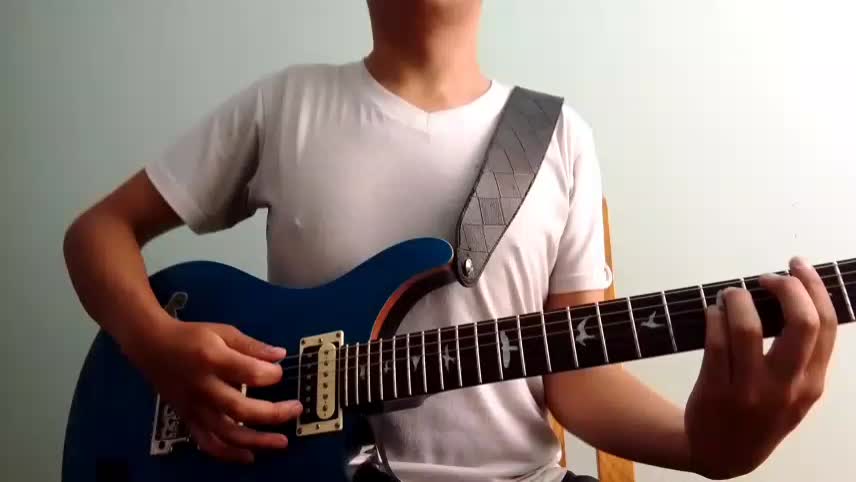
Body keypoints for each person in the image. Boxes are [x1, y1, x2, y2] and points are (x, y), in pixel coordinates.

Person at [63, 1, 837, 481]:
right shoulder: (285, 104)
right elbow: (98, 231)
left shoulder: (557, 135)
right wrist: (155, 342)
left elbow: (577, 376)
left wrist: (706, 447)